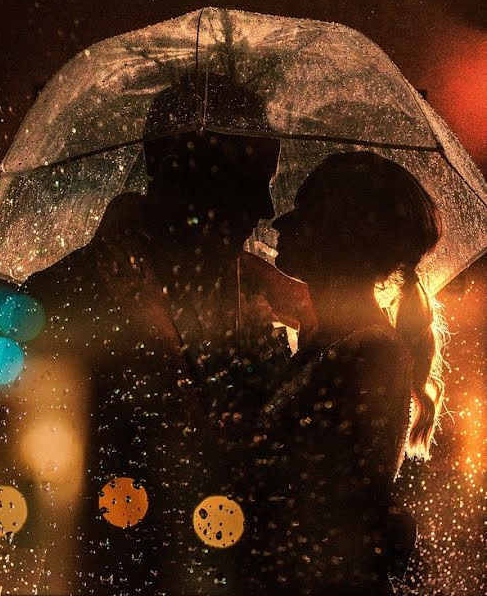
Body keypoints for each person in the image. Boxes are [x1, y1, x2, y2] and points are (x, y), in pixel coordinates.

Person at [23, 74, 285, 594]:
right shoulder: (69, 296)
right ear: (189, 178)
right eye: (250, 183)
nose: (266, 211)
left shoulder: (259, 299)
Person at [242, 151, 444, 595]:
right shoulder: (337, 346)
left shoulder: (369, 354)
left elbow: (286, 481)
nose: (280, 225)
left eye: (305, 213)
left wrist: (255, 357)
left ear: (342, 237)